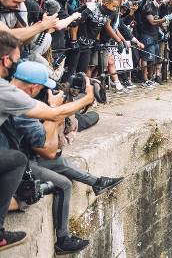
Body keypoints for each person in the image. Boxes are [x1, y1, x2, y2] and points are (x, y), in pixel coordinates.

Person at [2, 61, 124, 255]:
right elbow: (49, 149)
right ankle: (63, 239)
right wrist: (55, 112)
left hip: (19, 155)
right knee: (63, 184)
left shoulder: (7, 91)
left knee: (59, 162)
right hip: (14, 164)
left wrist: (57, 111)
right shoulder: (23, 112)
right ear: (34, 87)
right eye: (42, 88)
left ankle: (97, 182)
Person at [0, 31, 94, 252]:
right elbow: (50, 149)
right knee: (21, 162)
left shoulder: (8, 87)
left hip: (28, 158)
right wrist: (85, 100)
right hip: (27, 162)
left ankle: (97, 182)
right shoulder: (11, 97)